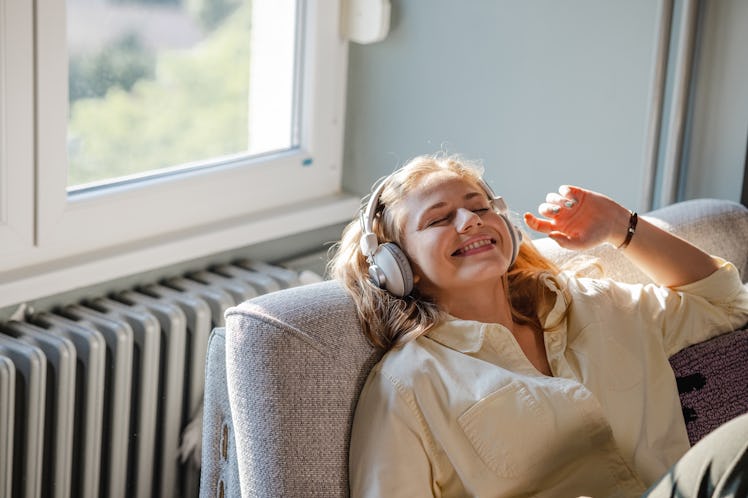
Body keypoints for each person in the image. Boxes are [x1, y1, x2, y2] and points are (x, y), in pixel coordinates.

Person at [328, 153, 748, 498]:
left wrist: (622, 226)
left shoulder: (591, 303)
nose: (470, 220)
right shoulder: (408, 383)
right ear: (398, 267)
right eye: (439, 219)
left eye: (478, 207)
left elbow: (726, 304)